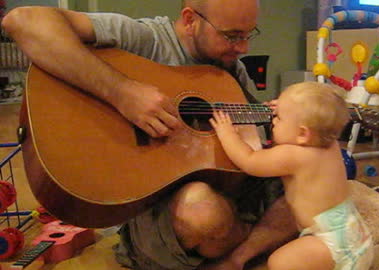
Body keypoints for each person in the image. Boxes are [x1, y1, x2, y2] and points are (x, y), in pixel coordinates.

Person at [1, 1, 298, 270]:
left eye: (249, 34)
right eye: (231, 35)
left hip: (230, 186)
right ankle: (246, 240)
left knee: (312, 175)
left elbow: (255, 143)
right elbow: (23, 21)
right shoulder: (145, 37)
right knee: (203, 211)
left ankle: (237, 257)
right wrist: (122, 93)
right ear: (190, 19)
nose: (243, 47)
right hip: (157, 206)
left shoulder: (231, 69)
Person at [209, 81, 374, 270]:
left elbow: (249, 160)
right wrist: (287, 109)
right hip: (355, 236)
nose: (273, 120)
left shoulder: (294, 155)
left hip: (331, 247)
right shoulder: (330, 144)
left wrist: (227, 133)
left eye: (278, 117)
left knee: (280, 262)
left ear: (303, 134)